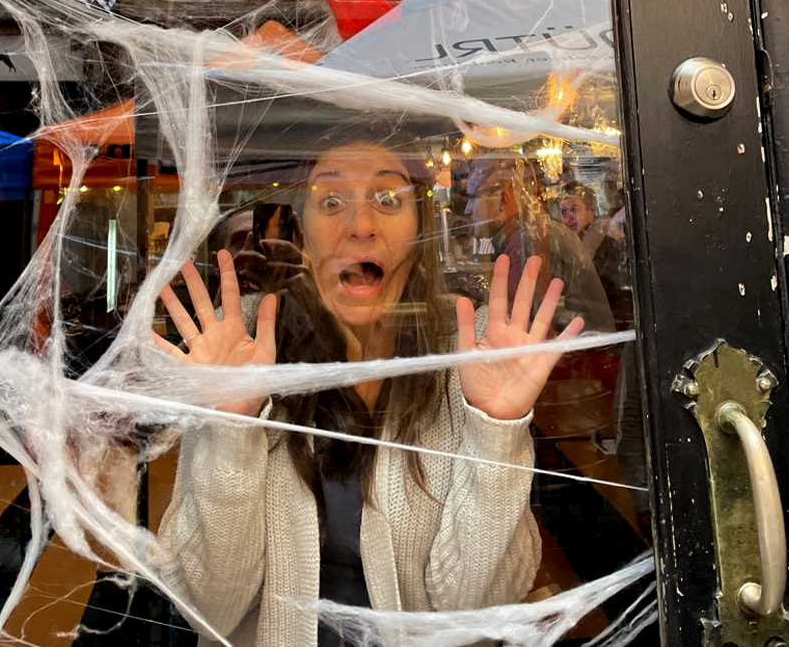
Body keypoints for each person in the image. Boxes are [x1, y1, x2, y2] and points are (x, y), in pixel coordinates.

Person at [153, 138, 585, 647]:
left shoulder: (463, 352)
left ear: (420, 231)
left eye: (387, 199)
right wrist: (232, 428)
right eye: (331, 202)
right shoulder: (241, 346)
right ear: (304, 237)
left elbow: (471, 612)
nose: (360, 226)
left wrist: (495, 428)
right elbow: (208, 611)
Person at [464, 158, 615, 333]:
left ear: (502, 200)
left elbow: (525, 324)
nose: (467, 209)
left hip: (583, 351)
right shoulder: (526, 233)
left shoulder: (528, 239)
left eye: (472, 198)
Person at [559, 181, 632, 329]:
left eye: (574, 210)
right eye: (564, 212)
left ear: (591, 211)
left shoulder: (606, 242)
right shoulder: (574, 242)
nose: (569, 218)